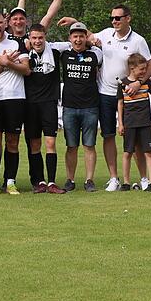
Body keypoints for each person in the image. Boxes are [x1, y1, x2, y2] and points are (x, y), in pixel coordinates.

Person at [58, 4, 151, 191]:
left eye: (118, 18)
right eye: (112, 18)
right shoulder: (107, 33)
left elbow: (150, 64)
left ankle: (143, 178)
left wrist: (139, 82)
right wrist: (74, 22)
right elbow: (87, 36)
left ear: (128, 18)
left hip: (129, 95)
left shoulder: (138, 40)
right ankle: (114, 178)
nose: (114, 21)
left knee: (134, 139)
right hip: (104, 94)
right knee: (108, 136)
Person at [0, 10, 30, 195]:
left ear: (6, 23)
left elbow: (26, 70)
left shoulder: (17, 43)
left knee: (13, 141)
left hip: (16, 98)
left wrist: (8, 62)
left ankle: (10, 181)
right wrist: (4, 63)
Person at [23, 24, 70, 194]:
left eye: (40, 37)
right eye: (34, 38)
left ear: (45, 36)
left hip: (49, 102)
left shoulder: (55, 49)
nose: (37, 41)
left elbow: (77, 41)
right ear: (30, 38)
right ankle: (39, 181)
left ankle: (51, 182)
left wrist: (92, 39)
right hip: (30, 104)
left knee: (50, 142)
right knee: (34, 144)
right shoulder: (24, 52)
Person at [59, 22, 101, 192]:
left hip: (90, 106)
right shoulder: (63, 53)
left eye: (81, 36)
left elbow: (96, 40)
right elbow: (44, 42)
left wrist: (92, 40)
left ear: (85, 37)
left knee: (89, 145)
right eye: (75, 36)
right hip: (69, 106)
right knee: (71, 145)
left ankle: (89, 180)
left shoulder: (96, 54)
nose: (78, 39)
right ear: (70, 38)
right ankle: (70, 179)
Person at [117, 54, 151, 191]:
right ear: (132, 68)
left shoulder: (146, 82)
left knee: (149, 152)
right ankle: (126, 182)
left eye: (145, 68)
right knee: (127, 152)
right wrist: (121, 123)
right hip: (129, 124)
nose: (144, 72)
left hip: (145, 123)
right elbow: (120, 104)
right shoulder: (123, 83)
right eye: (141, 69)